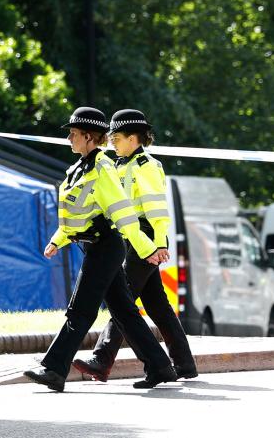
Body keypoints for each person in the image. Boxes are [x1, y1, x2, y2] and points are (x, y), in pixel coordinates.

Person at [23, 107, 177, 392]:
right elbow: (74, 215)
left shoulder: (102, 168)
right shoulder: (78, 169)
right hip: (93, 245)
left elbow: (123, 214)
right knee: (125, 312)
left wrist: (148, 248)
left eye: (73, 133)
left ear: (89, 136)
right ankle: (160, 366)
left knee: (80, 309)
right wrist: (58, 239)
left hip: (106, 247)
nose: (69, 138)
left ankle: (54, 369)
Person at [72, 109, 198, 382]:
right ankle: (184, 364)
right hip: (128, 239)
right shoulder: (118, 165)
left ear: (133, 138)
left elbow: (157, 210)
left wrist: (158, 243)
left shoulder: (147, 166)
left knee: (122, 301)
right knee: (157, 306)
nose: (112, 142)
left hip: (145, 238)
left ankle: (102, 359)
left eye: (116, 137)